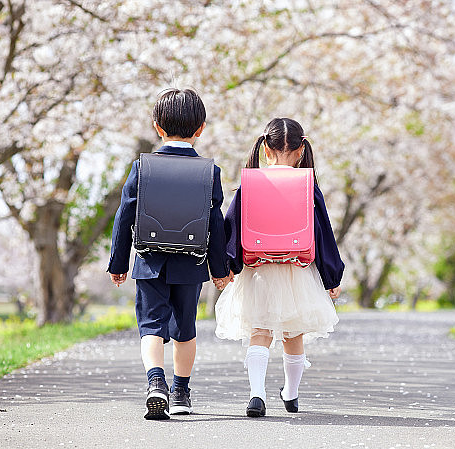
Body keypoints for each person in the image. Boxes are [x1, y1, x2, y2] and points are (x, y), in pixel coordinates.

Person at [107, 88, 231, 420]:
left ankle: (155, 382)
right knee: (185, 330)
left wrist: (118, 263)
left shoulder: (143, 167)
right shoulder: (209, 172)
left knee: (151, 326)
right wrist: (220, 269)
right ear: (200, 128)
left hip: (150, 261)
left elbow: (124, 215)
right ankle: (180, 393)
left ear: (157, 127)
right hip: (192, 263)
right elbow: (215, 224)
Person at [215, 117, 343, 417]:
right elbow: (323, 233)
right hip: (297, 270)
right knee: (293, 334)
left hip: (259, 269)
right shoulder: (307, 185)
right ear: (301, 150)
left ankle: (256, 394)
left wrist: (228, 265)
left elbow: (232, 226)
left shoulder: (251, 182)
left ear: (265, 150)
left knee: (260, 331)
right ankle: (291, 394)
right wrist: (332, 276)